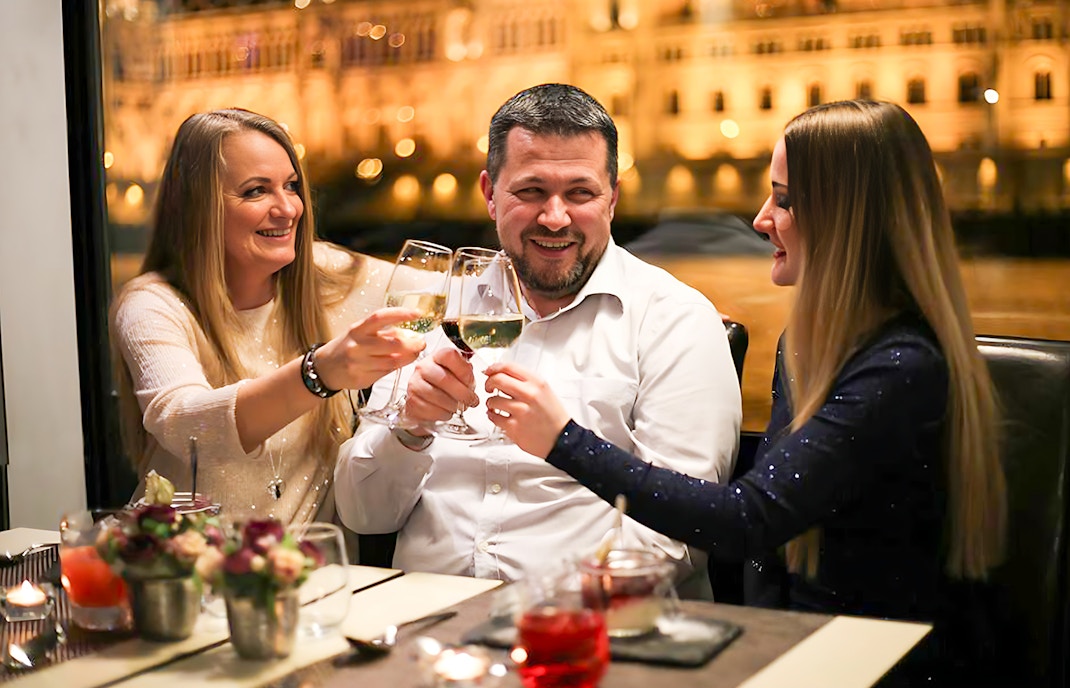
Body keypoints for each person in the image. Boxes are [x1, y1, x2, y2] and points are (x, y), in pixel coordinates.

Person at [484, 99, 1007, 662]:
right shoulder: (807, 346)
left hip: (875, 661)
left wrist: (562, 439)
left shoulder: (902, 365)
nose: (760, 219)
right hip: (795, 646)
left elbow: (747, 520)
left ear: (847, 216)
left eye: (783, 199)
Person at [334, 84, 741, 592]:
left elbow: (678, 535)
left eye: (580, 193)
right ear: (489, 194)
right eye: (530, 191)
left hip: (589, 633)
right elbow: (362, 514)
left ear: (612, 199)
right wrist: (409, 430)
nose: (555, 217)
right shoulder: (437, 316)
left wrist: (537, 618)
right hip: (427, 625)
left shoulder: (675, 319)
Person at [111, 108, 424, 526]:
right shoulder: (151, 304)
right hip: (183, 572)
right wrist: (320, 373)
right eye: (256, 191)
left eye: (291, 186)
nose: (288, 208)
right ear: (199, 208)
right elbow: (187, 427)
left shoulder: (327, 278)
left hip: (312, 580)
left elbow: (461, 289)